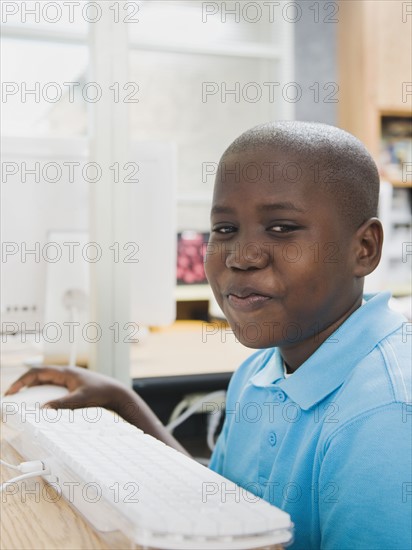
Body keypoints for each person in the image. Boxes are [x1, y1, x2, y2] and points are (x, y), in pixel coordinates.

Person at [5, 122, 411, 549]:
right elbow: (225, 516)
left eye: (281, 228)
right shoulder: (261, 369)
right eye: (225, 229)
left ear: (363, 248)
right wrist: (123, 401)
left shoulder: (385, 415)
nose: (241, 256)